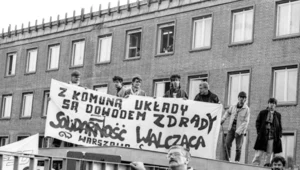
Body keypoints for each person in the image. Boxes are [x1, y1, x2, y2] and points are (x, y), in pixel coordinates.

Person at [221, 91, 250, 162]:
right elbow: (227, 112)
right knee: (227, 144)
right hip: (231, 128)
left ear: (245, 99)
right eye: (241, 97)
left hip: (240, 131)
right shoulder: (233, 106)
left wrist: (238, 131)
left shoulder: (247, 109)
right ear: (238, 98)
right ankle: (227, 160)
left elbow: (246, 122)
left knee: (238, 147)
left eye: (244, 98)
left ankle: (237, 162)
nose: (242, 99)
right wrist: (223, 119)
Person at [252, 98, 282, 167]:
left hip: (272, 136)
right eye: (271, 103)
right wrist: (259, 132)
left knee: (269, 153)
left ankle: (267, 166)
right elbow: (258, 123)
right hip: (263, 135)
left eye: (274, 103)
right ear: (268, 104)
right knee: (259, 152)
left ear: (275, 105)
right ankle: (255, 166)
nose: (272, 105)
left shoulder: (278, 115)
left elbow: (279, 126)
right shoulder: (262, 113)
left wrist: (279, 134)